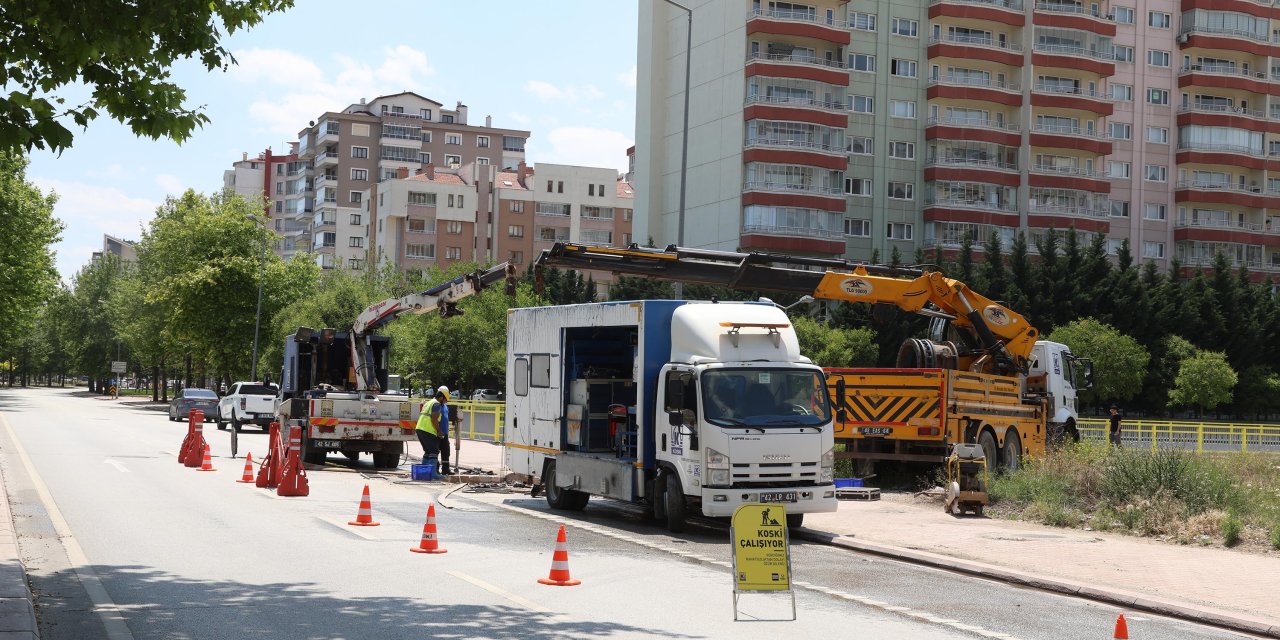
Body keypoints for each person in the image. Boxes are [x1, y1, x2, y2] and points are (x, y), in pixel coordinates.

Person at [416, 388, 444, 467]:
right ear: (441, 398)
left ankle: (424, 472)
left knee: (428, 451)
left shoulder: (429, 402)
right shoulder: (437, 404)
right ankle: (433, 473)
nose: (444, 403)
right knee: (434, 451)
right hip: (428, 430)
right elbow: (434, 419)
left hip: (420, 428)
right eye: (445, 400)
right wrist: (439, 431)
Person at [436, 385, 452, 475]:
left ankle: (446, 469)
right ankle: (436, 469)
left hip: (444, 433)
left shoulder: (445, 406)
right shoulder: (436, 405)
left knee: (446, 451)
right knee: (436, 451)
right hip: (437, 432)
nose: (446, 400)